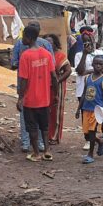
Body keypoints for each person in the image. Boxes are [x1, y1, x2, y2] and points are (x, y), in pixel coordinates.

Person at [16, 24, 56, 163]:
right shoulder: (47, 54)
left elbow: (24, 80)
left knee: (32, 127)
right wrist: (55, 94)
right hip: (44, 99)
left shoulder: (25, 56)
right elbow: (54, 77)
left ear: (29, 37)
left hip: (31, 100)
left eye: (23, 36)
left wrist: (21, 98)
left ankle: (36, 153)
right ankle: (47, 151)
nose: (22, 39)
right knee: (44, 127)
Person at [79, 55, 103, 164]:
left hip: (97, 110)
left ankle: (90, 154)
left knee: (92, 132)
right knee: (87, 133)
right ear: (92, 65)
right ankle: (100, 141)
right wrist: (78, 109)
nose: (98, 66)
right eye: (96, 64)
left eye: (100, 64)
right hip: (86, 108)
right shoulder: (87, 78)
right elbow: (83, 94)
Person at [46, 34, 72, 145]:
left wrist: (58, 80)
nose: (48, 45)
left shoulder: (60, 56)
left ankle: (54, 136)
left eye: (50, 42)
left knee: (56, 111)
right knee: (46, 111)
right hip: (46, 87)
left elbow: (68, 71)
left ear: (55, 43)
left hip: (58, 87)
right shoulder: (46, 55)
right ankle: (46, 134)